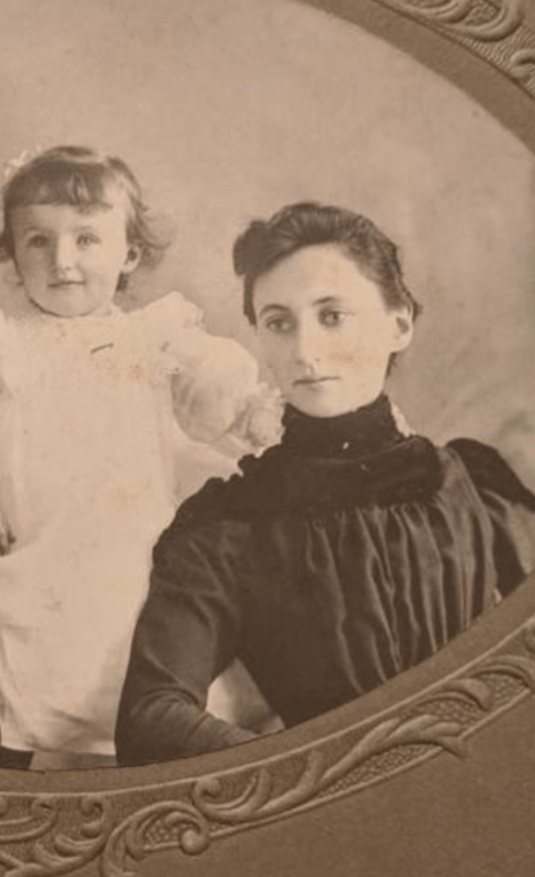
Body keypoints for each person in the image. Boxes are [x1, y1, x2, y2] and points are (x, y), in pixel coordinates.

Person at [116, 201, 535, 764]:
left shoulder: (473, 487)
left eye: (332, 316)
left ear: (399, 323)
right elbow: (150, 717)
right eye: (279, 322)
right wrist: (319, 771)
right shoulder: (229, 527)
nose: (305, 352)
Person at [0, 145, 271, 766]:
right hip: (33, 560)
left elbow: (223, 403)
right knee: (27, 683)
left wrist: (255, 410)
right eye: (38, 242)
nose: (63, 261)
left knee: (135, 674)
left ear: (128, 253)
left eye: (86, 240)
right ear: (12, 251)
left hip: (130, 559)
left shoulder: (155, 338)